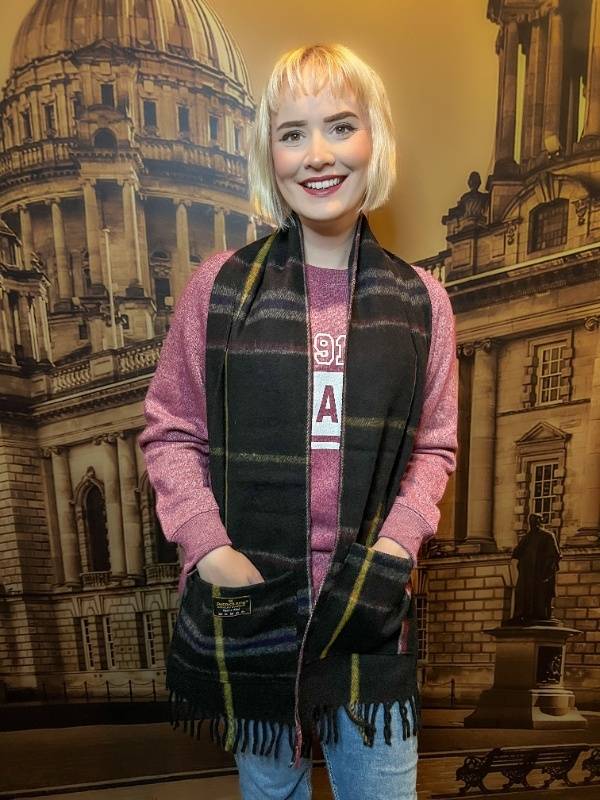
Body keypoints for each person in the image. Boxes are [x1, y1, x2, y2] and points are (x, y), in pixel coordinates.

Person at [139, 43, 458, 800]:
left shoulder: (423, 302)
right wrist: (210, 550)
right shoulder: (216, 289)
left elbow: (436, 448)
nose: (318, 155)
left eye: (340, 126)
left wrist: (393, 547)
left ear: (372, 140)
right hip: (257, 604)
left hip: (369, 607)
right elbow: (171, 429)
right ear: (269, 153)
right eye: (293, 133)